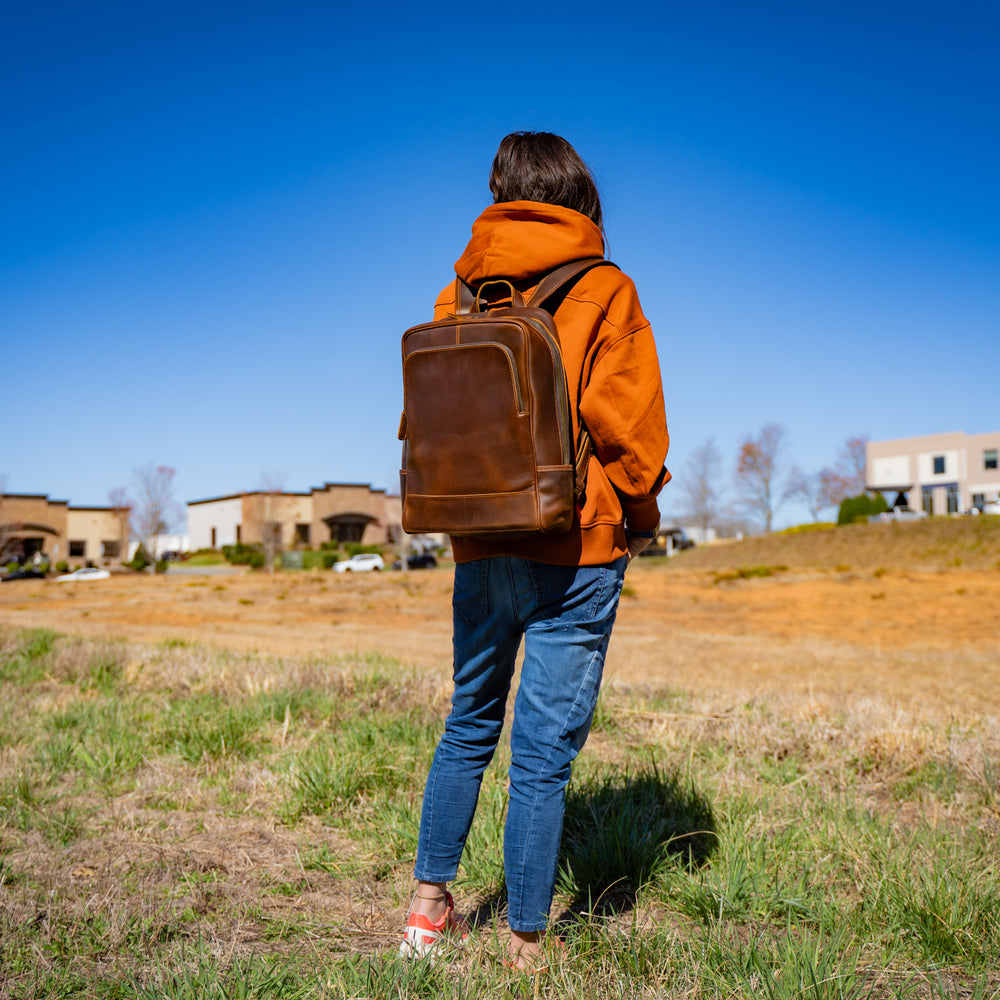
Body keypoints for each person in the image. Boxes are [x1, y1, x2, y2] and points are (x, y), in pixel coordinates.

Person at [400, 131, 670, 971]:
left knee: (467, 726)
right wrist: (641, 514)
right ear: (581, 194)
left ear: (500, 191)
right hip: (575, 547)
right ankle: (523, 944)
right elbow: (629, 430)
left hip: (480, 543)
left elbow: (433, 424)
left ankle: (425, 911)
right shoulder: (604, 287)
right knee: (542, 758)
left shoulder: (459, 294)